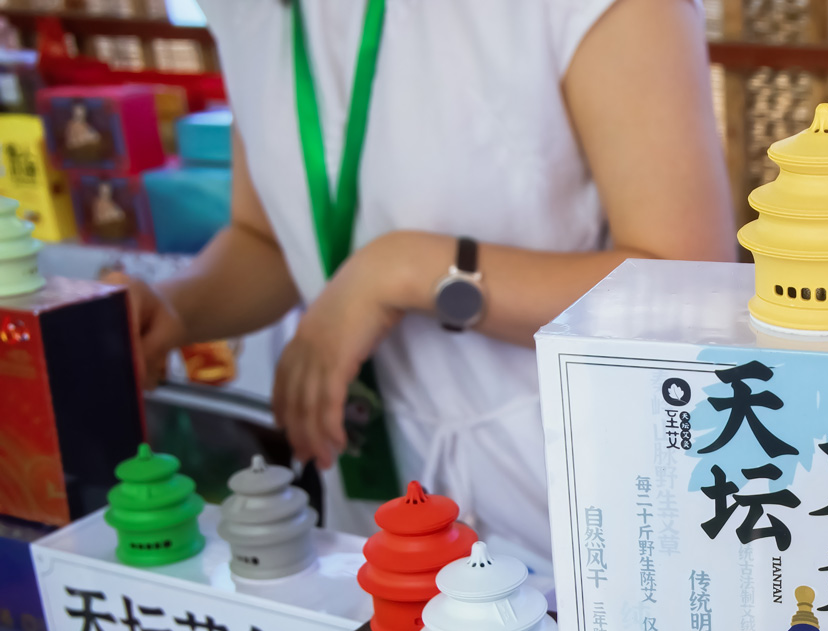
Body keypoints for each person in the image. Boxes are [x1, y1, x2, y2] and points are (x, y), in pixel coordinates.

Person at [110, 0, 734, 566]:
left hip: (580, 500)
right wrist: (174, 308)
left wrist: (404, 272)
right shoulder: (249, 14)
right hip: (374, 496)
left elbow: (685, 286)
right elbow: (271, 238)